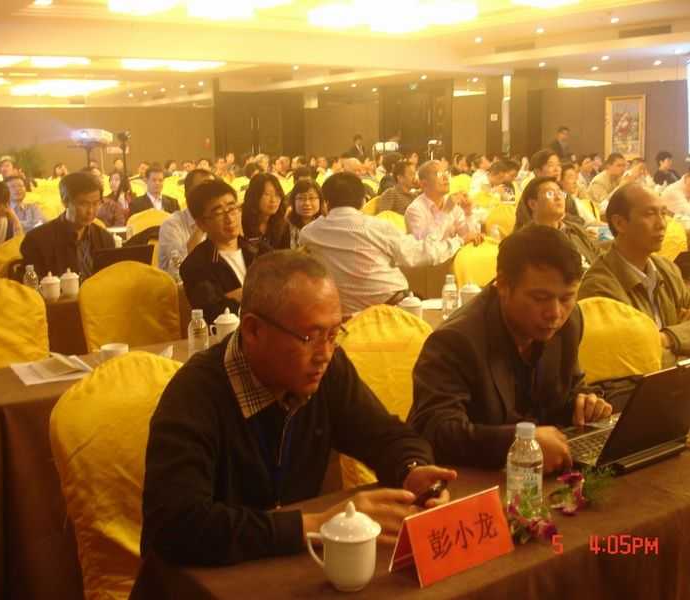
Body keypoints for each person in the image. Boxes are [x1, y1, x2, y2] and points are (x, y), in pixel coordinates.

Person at [141, 250, 455, 566]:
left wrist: (412, 469)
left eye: (334, 334)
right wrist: (316, 525)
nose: (325, 353)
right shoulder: (194, 394)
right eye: (310, 337)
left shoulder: (327, 371)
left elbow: (387, 435)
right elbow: (177, 525)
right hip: (199, 579)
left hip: (287, 567)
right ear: (253, 330)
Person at [408, 225, 612, 472]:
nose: (555, 313)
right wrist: (521, 442)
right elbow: (438, 432)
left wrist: (584, 402)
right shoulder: (456, 340)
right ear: (503, 284)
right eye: (540, 298)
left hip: (542, 475)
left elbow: (568, 389)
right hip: (471, 478)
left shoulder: (569, 322)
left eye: (567, 298)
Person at [578, 184, 690, 366]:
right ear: (620, 223)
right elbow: (634, 357)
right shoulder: (599, 285)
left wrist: (667, 337)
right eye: (650, 214)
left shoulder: (667, 269)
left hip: (679, 380)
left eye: (663, 213)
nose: (661, 224)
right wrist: (685, 340)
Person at [300, 172, 463, 315]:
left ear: (326, 202)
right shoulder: (377, 227)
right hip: (391, 309)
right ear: (363, 201)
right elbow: (423, 253)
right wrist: (459, 241)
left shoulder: (309, 234)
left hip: (344, 316)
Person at [179, 180, 264, 322]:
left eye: (232, 209)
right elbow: (213, 313)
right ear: (201, 223)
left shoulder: (259, 250)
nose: (230, 218)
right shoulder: (195, 265)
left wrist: (236, 295)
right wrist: (255, 293)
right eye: (219, 213)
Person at [20, 171, 115, 280]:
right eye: (83, 204)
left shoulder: (105, 238)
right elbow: (31, 284)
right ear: (65, 202)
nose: (90, 211)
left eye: (96, 203)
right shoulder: (37, 240)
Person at [519, 176, 600, 268]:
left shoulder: (575, 230)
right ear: (533, 204)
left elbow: (599, 260)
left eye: (560, 193)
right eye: (550, 194)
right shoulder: (525, 243)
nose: (558, 197)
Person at [405, 160, 482, 243]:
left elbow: (469, 235)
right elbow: (426, 245)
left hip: (456, 250)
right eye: (439, 174)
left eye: (446, 173)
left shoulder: (449, 202)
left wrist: (468, 212)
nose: (446, 178)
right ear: (424, 184)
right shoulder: (414, 210)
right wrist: (445, 211)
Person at [157, 169, 214, 270]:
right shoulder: (171, 225)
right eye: (203, 190)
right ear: (188, 194)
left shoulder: (221, 220)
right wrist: (202, 225)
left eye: (212, 189)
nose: (210, 195)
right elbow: (180, 268)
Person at [241, 172, 290, 250]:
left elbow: (285, 254)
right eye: (267, 194)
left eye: (277, 194)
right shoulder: (241, 222)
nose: (273, 200)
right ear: (255, 196)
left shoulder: (283, 225)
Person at [286, 180, 323, 249]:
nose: (307, 203)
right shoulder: (286, 226)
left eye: (311, 198)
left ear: (320, 200)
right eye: (301, 198)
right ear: (293, 202)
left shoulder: (325, 225)